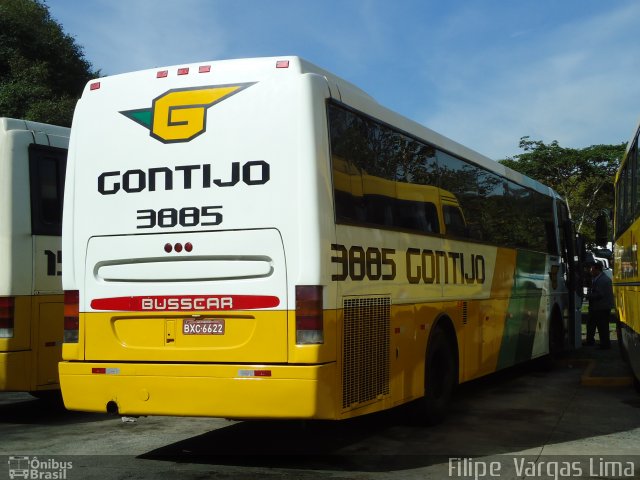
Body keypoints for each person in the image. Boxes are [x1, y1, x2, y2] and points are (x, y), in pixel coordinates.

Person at [584, 262, 614, 349]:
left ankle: (604, 344)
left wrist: (587, 296)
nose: (591, 271)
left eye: (592, 270)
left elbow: (599, 294)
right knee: (593, 325)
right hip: (599, 307)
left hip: (601, 307)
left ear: (597, 269)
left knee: (602, 327)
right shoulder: (601, 278)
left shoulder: (602, 280)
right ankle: (593, 341)